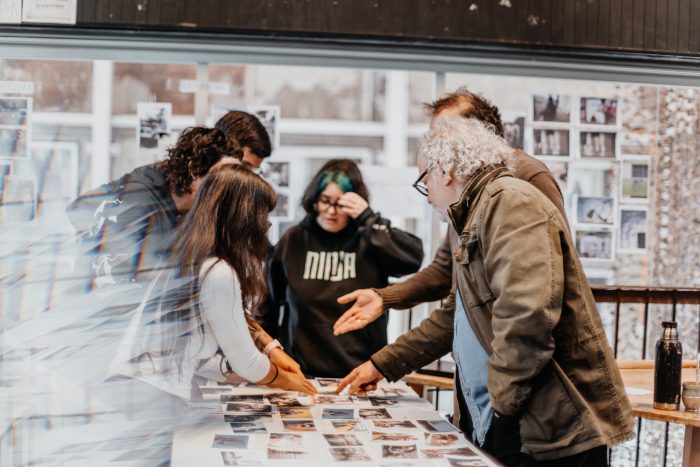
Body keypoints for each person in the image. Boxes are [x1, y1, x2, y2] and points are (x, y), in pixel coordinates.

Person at [338, 118, 633, 466]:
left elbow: (527, 316)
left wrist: (502, 410)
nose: (429, 194)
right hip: (516, 423)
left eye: (425, 180)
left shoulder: (510, 203)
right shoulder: (479, 211)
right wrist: (382, 364)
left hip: (546, 432)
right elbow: (455, 318)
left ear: (446, 169)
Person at [67, 122, 301, 380]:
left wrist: (266, 343)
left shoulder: (189, 212)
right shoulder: (142, 204)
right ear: (195, 167)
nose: (232, 185)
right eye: (225, 175)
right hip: (103, 352)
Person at [333, 88, 567, 337]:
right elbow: (445, 270)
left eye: (443, 133)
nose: (435, 146)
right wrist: (385, 297)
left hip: (511, 349)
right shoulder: (463, 190)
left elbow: (547, 281)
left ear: (477, 133)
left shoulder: (527, 176)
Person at [260, 159, 424, 377]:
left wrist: (369, 219)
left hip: (362, 371)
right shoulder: (294, 240)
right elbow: (269, 307)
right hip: (300, 371)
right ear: (314, 199)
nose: (331, 211)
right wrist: (267, 358)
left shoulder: (370, 239)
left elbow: (412, 259)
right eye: (325, 201)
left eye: (341, 204)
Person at [169, 164, 316, 395]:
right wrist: (287, 381)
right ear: (242, 217)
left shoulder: (187, 258)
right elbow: (245, 361)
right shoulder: (218, 271)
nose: (267, 224)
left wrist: (270, 348)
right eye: (263, 215)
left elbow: (194, 355)